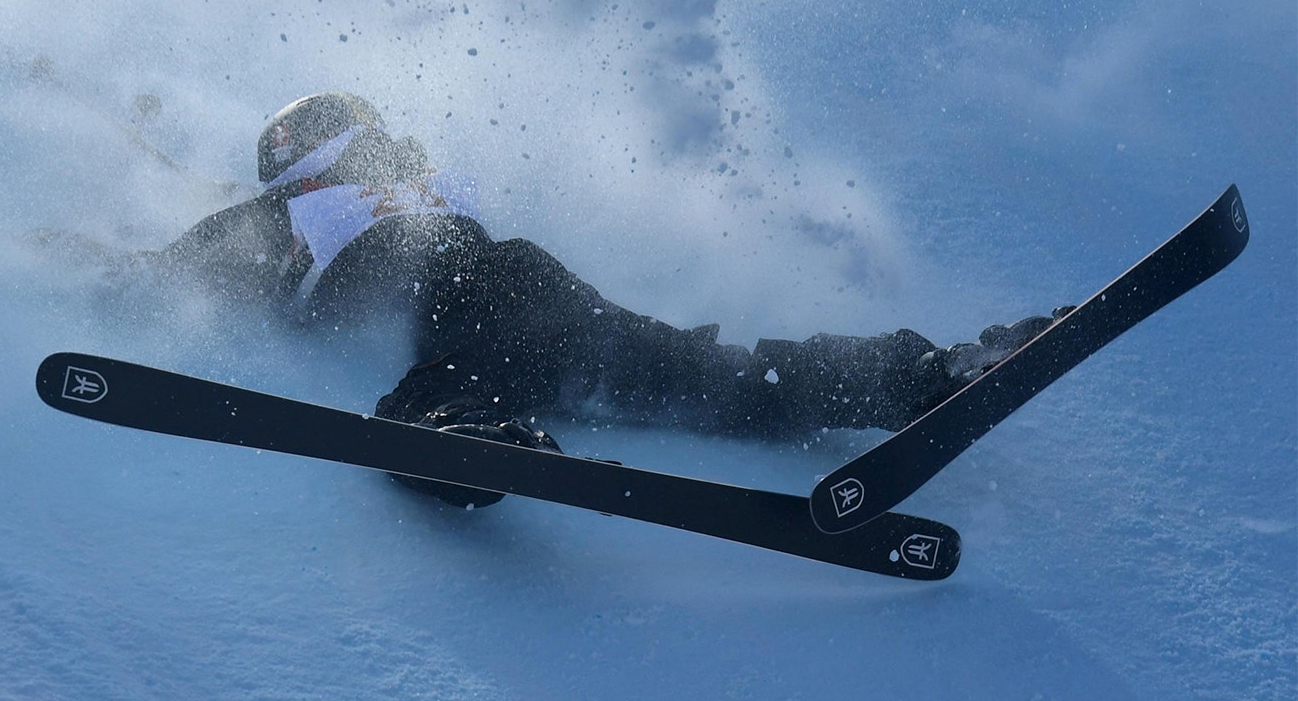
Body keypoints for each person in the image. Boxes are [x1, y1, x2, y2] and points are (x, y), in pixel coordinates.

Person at [147, 91, 1060, 508]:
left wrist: (115, 266)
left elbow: (194, 261)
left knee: (443, 381)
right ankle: (930, 373)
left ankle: (456, 437)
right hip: (558, 305)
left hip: (484, 297)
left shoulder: (296, 208)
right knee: (731, 382)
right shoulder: (421, 178)